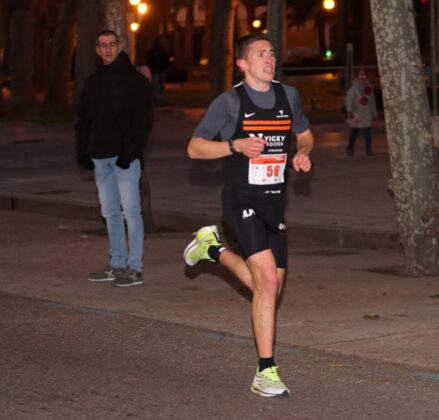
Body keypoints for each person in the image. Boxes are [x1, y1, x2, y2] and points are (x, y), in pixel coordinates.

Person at [183, 33, 313, 397]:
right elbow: (194, 149)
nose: (269, 59)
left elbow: (305, 134)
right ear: (242, 63)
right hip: (241, 200)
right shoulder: (229, 102)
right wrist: (234, 145)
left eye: (271, 53)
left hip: (275, 202)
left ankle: (212, 250)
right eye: (260, 55)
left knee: (267, 287)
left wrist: (303, 151)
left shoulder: (289, 96)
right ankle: (265, 372)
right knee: (267, 282)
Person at [75, 29, 153, 287]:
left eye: (111, 44)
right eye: (102, 45)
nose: (107, 49)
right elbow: (83, 120)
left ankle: (135, 268)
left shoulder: (135, 81)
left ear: (119, 47)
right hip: (100, 158)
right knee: (110, 213)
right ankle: (117, 263)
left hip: (124, 158)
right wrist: (83, 151)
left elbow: (143, 120)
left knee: (131, 212)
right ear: (97, 50)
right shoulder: (92, 82)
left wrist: (129, 152)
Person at [345, 69, 377, 156]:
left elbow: (372, 101)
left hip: (367, 114)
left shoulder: (368, 88)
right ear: (357, 77)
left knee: (368, 134)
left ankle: (369, 150)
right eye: (360, 75)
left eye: (364, 75)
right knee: (354, 133)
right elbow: (349, 101)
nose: (362, 77)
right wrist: (350, 112)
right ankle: (350, 147)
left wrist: (374, 112)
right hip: (357, 114)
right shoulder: (353, 89)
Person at [145, 39, 170, 105]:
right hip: (159, 70)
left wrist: (151, 67)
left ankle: (157, 99)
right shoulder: (161, 51)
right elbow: (166, 59)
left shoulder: (152, 51)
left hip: (156, 70)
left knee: (156, 85)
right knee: (160, 85)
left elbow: (148, 60)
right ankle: (160, 99)